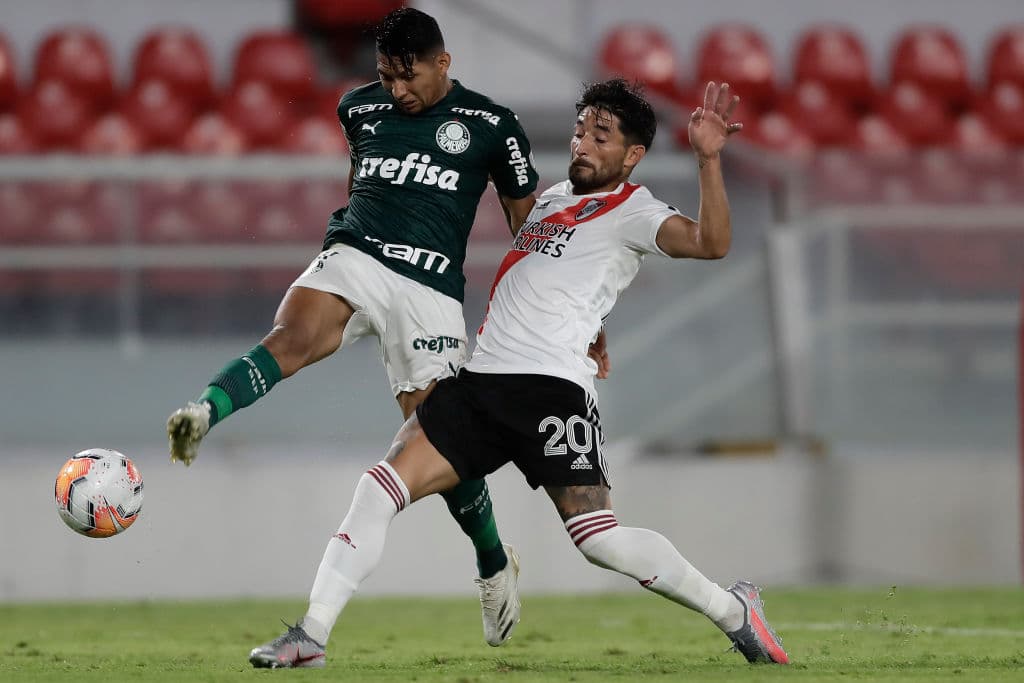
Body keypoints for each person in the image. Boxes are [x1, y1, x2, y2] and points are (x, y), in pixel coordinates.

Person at [246, 78, 790, 670]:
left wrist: (708, 159)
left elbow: (712, 243)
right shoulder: (553, 200)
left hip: (551, 389)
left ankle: (734, 611)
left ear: (632, 156)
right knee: (379, 488)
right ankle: (311, 637)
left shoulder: (637, 211)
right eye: (581, 130)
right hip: (481, 382)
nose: (582, 143)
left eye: (600, 136)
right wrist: (596, 323)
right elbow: (556, 276)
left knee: (599, 540)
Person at [166, 6, 604, 649]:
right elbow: (363, 177)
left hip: (430, 291)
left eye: (409, 76)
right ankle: (204, 410)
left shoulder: (491, 125)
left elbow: (527, 230)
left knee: (439, 439)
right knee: (290, 338)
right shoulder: (359, 109)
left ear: (442, 63)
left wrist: (568, 311)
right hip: (357, 255)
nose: (397, 90)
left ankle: (492, 561)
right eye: (387, 76)